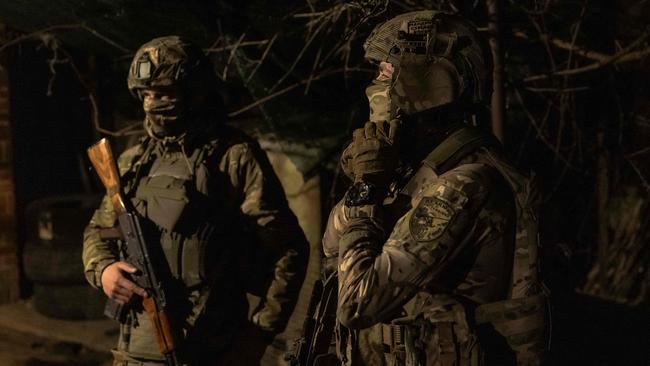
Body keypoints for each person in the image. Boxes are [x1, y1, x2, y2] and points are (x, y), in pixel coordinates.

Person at [321, 11, 549, 366]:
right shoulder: (421, 167)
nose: (374, 84)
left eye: (384, 71)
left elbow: (357, 303)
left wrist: (366, 189)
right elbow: (332, 241)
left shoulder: (464, 183)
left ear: (425, 82)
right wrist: (372, 186)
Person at [82, 36, 309, 365]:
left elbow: (288, 251)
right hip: (133, 352)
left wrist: (258, 334)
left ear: (194, 93)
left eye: (164, 93)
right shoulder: (133, 161)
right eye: (146, 94)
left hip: (211, 350)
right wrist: (104, 270)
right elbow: (96, 231)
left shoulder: (232, 157)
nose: (153, 104)